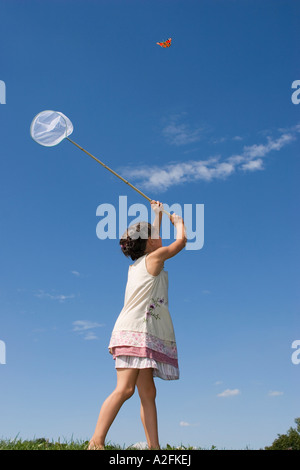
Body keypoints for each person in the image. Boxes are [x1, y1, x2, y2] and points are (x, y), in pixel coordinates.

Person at [88, 201, 186, 450]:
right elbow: (180, 243)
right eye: (156, 234)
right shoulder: (155, 258)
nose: (159, 235)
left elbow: (153, 237)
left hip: (143, 335)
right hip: (134, 332)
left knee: (148, 394)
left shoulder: (142, 261)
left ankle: (155, 449)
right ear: (150, 242)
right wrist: (180, 224)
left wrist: (157, 216)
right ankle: (96, 441)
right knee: (125, 389)